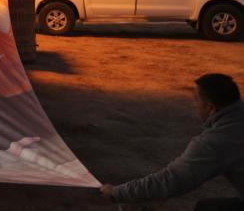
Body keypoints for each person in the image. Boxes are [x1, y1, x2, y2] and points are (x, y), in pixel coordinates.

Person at [100, 74, 244, 210]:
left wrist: (116, 192)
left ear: (211, 108)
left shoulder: (218, 140)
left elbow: (172, 180)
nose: (195, 106)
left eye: (196, 101)